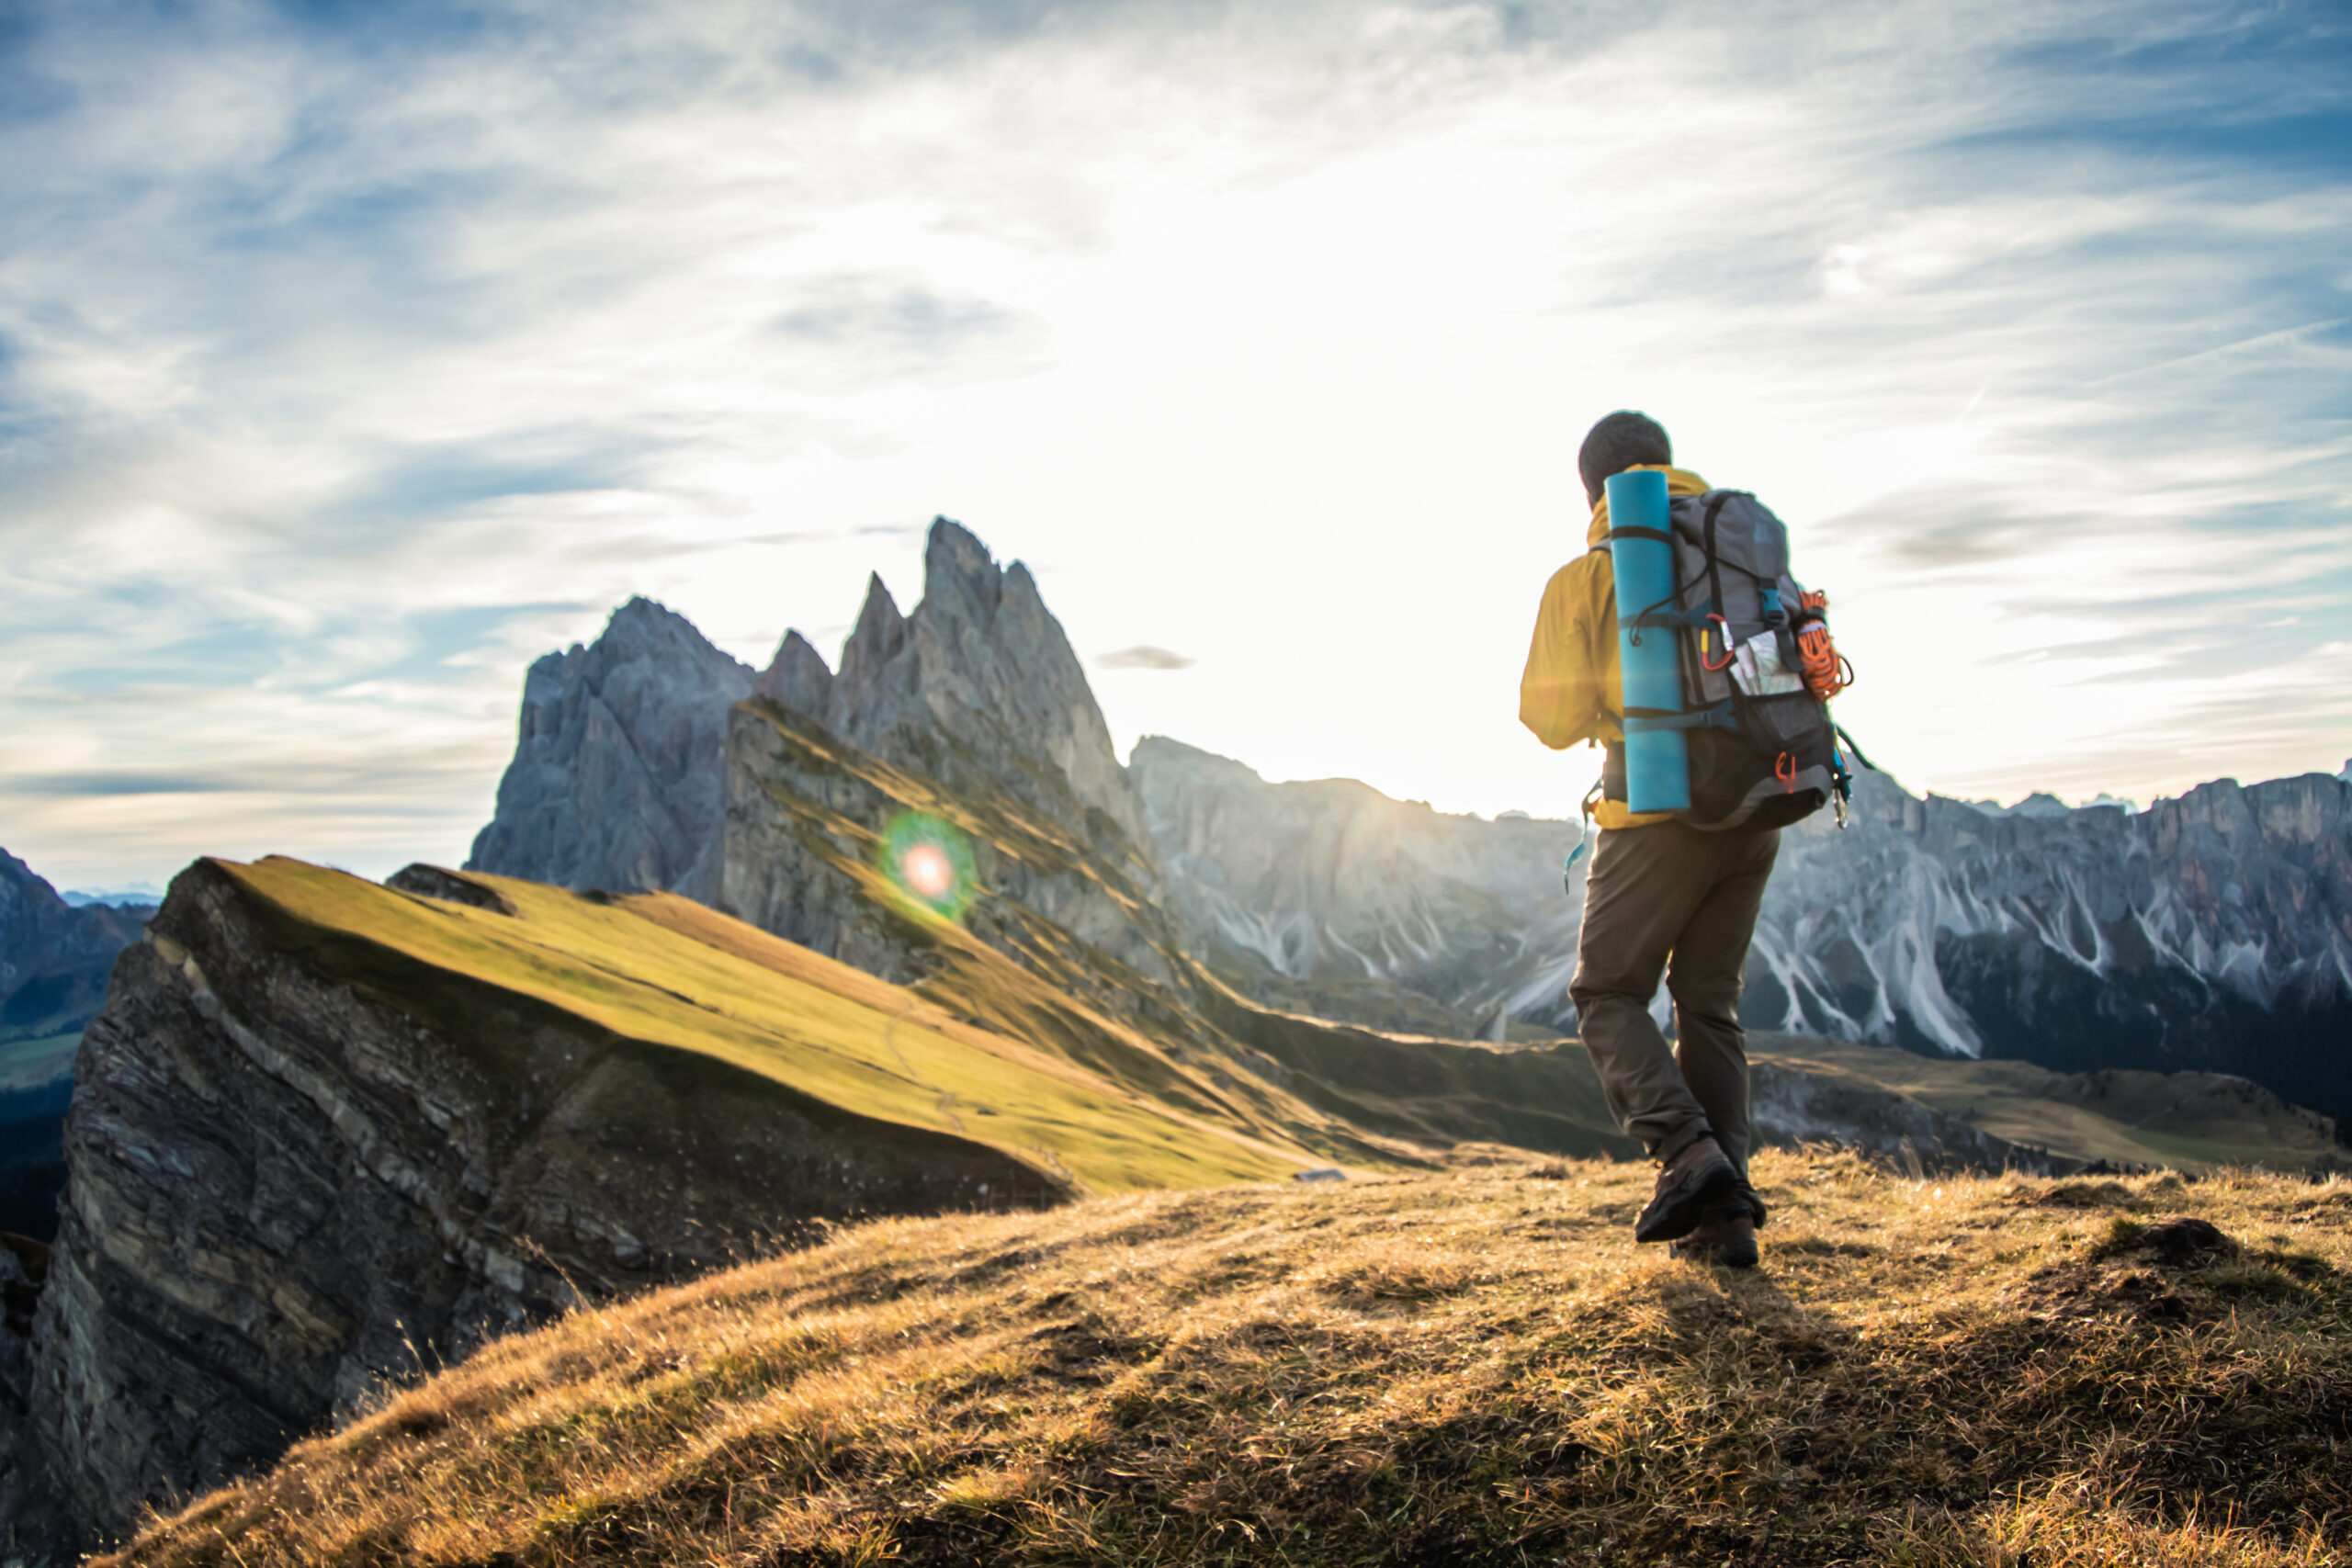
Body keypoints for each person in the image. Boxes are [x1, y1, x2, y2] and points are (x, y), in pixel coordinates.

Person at [1519, 410, 1774, 1269]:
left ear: (1593, 492)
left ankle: (1688, 1158)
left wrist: (1610, 709)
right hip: (1757, 799)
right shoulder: (1733, 544)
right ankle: (1726, 1225)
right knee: (1708, 1001)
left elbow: (1548, 720)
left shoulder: (1590, 576)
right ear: (1667, 466)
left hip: (1657, 808)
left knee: (1606, 993)